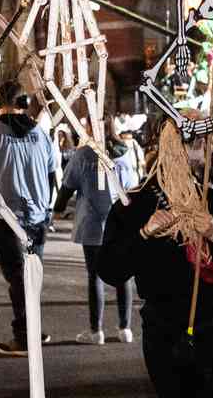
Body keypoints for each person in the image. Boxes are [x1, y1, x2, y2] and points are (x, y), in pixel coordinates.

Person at [98, 115, 213, 397]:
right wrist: (143, 233)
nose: (203, 152)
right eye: (194, 144)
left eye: (205, 145)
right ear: (170, 148)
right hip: (162, 329)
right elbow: (110, 271)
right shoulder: (136, 203)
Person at [0, 80, 58, 355]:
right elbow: (51, 172)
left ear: (0, 102)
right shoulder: (41, 134)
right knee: (32, 277)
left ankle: (24, 336)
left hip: (6, 217)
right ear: (24, 103)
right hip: (37, 217)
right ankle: (32, 330)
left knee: (18, 278)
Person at [56, 139, 132, 344]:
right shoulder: (124, 154)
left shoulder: (83, 155)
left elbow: (67, 186)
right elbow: (132, 187)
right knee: (123, 274)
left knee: (95, 275)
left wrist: (58, 208)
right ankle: (125, 328)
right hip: (120, 222)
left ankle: (96, 331)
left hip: (92, 222)